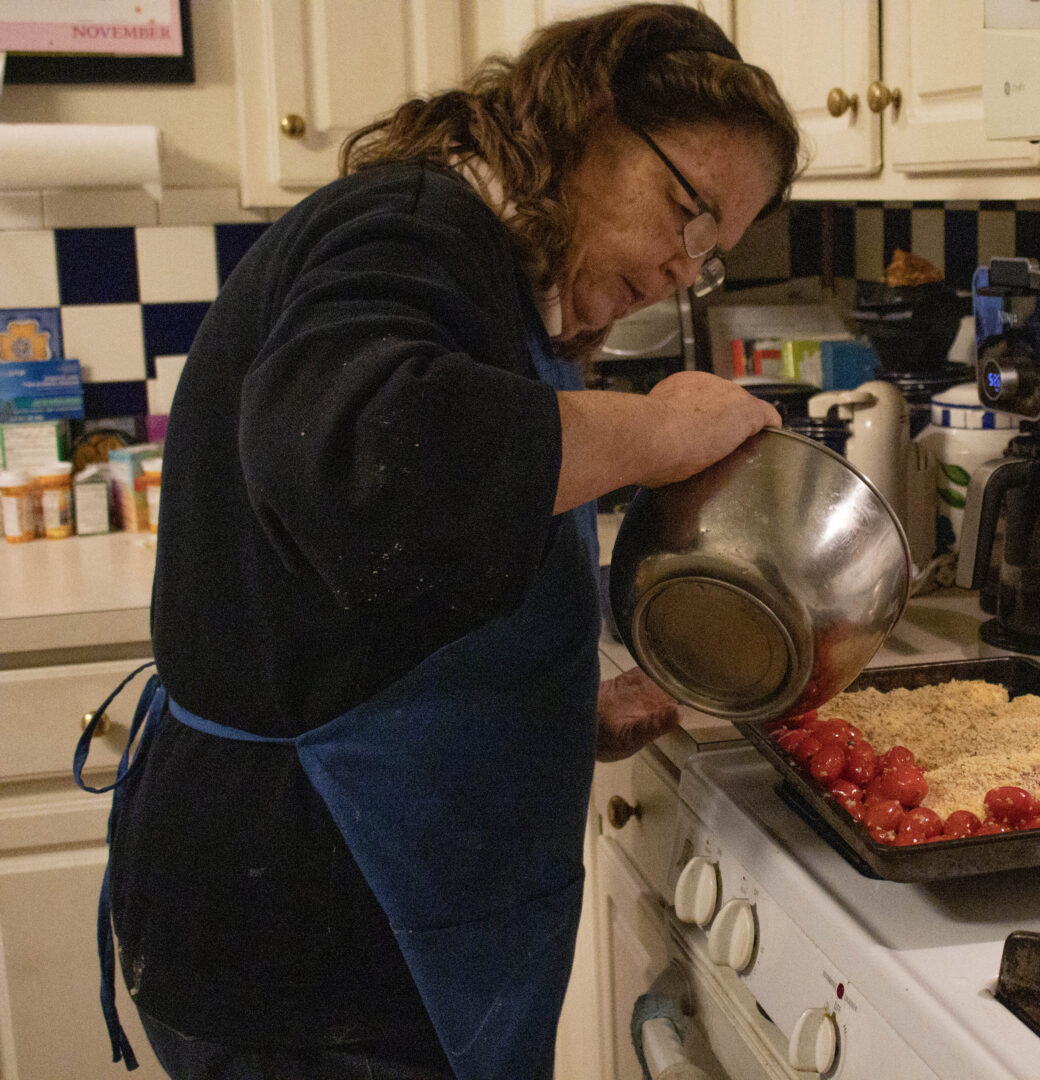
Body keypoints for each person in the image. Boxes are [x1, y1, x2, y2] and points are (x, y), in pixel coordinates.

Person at [72, 6, 800, 1079]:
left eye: (714, 251)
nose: (685, 267)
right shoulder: (411, 225)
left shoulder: (498, 270)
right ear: (585, 122)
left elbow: (390, 584)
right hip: (306, 932)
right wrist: (657, 427)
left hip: (341, 916)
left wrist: (538, 705)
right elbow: (377, 455)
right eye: (686, 209)